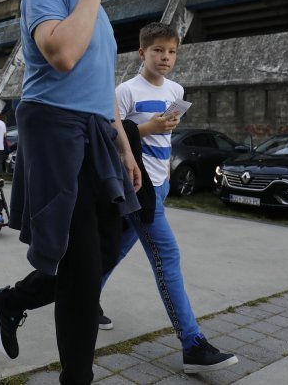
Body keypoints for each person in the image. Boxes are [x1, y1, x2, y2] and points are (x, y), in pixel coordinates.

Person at [0, 0, 142, 385]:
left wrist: (124, 146)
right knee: (80, 264)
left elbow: (101, 85)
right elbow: (64, 56)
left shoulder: (101, 10)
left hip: (97, 132)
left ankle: (9, 302)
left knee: (107, 246)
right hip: (53, 126)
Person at [100, 22, 238, 373]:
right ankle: (192, 344)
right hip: (137, 186)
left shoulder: (175, 89)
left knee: (115, 248)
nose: (165, 57)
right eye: (158, 50)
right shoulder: (125, 92)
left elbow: (165, 138)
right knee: (168, 255)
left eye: (172, 51)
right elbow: (113, 139)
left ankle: (80, 298)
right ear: (142, 53)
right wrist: (149, 128)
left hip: (161, 184)